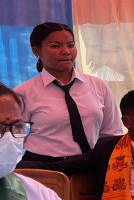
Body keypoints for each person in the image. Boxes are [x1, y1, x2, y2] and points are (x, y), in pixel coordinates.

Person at [15, 22, 120, 169]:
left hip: (90, 165)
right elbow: (13, 139)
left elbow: (111, 134)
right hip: (43, 168)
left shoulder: (98, 86)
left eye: (71, 45)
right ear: (36, 51)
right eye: (55, 46)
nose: (66, 51)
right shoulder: (23, 93)